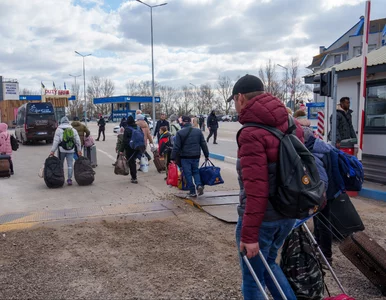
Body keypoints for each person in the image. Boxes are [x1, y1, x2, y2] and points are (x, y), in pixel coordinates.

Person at [228, 74, 304, 300]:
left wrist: (250, 235)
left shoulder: (251, 133)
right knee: (270, 263)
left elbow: (256, 189)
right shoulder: (292, 124)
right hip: (288, 211)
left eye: (234, 100)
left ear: (240, 97)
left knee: (253, 281)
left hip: (263, 220)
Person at [170, 116, 209, 197]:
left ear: (183, 122)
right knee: (195, 171)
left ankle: (192, 191)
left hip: (185, 157)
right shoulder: (198, 131)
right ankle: (199, 185)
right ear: (190, 122)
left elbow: (176, 147)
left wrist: (172, 158)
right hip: (196, 155)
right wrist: (206, 155)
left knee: (188, 173)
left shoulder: (180, 133)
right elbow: (203, 144)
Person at [50, 116, 82, 186]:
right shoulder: (73, 129)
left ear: (61, 122)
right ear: (68, 122)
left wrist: (52, 151)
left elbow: (56, 141)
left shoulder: (58, 129)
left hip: (61, 150)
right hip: (71, 150)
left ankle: (61, 178)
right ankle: (69, 179)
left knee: (60, 165)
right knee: (70, 165)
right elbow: (78, 141)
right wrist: (79, 150)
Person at [119, 115, 140, 184]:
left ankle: (134, 177)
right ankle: (134, 176)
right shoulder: (138, 127)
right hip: (137, 147)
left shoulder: (127, 129)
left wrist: (121, 150)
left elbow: (124, 141)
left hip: (129, 148)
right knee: (133, 161)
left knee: (131, 163)